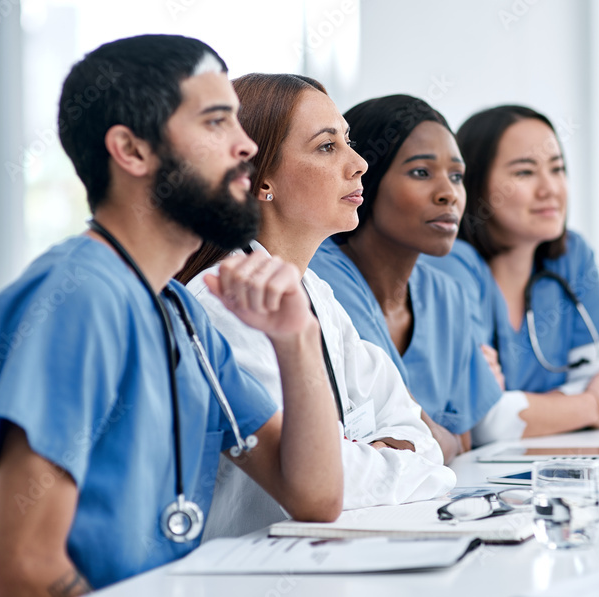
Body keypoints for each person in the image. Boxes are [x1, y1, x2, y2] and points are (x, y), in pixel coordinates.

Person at [0, 35, 344, 597]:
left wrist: (298, 336)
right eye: (216, 123)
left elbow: (315, 496)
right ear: (132, 151)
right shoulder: (77, 295)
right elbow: (22, 573)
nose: (245, 147)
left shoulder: (180, 311)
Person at [175, 77, 454, 540]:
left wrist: (375, 454)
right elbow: (325, 484)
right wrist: (376, 456)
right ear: (259, 178)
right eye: (327, 147)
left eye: (349, 142)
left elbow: (419, 438)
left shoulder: (315, 293)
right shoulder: (225, 303)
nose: (360, 164)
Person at [309, 95, 512, 449]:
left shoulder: (446, 296)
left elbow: (460, 439)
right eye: (421, 172)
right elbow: (398, 441)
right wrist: (434, 441)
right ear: (364, 180)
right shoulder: (321, 276)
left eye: (457, 176)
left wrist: (433, 441)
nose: (449, 194)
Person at [422, 105, 599, 437]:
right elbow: (478, 420)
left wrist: (515, 409)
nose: (550, 189)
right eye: (525, 173)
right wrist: (592, 406)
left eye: (557, 169)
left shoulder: (573, 257)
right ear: (473, 183)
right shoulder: (449, 263)